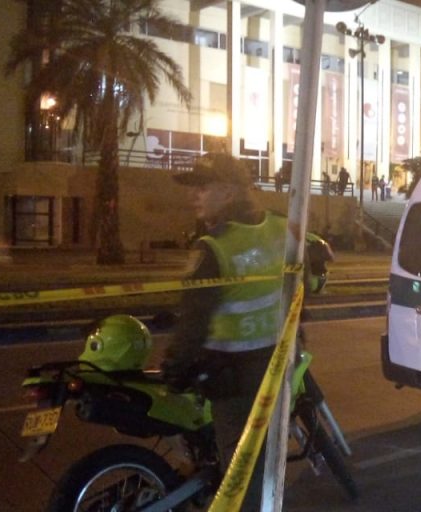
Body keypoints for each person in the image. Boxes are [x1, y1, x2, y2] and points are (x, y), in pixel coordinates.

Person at [162, 152, 287, 508]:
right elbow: (299, 287)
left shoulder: (213, 247)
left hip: (232, 379)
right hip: (273, 367)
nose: (194, 195)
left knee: (240, 475)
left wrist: (175, 369)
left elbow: (194, 321)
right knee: (261, 462)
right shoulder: (280, 228)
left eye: (203, 187)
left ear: (229, 192)